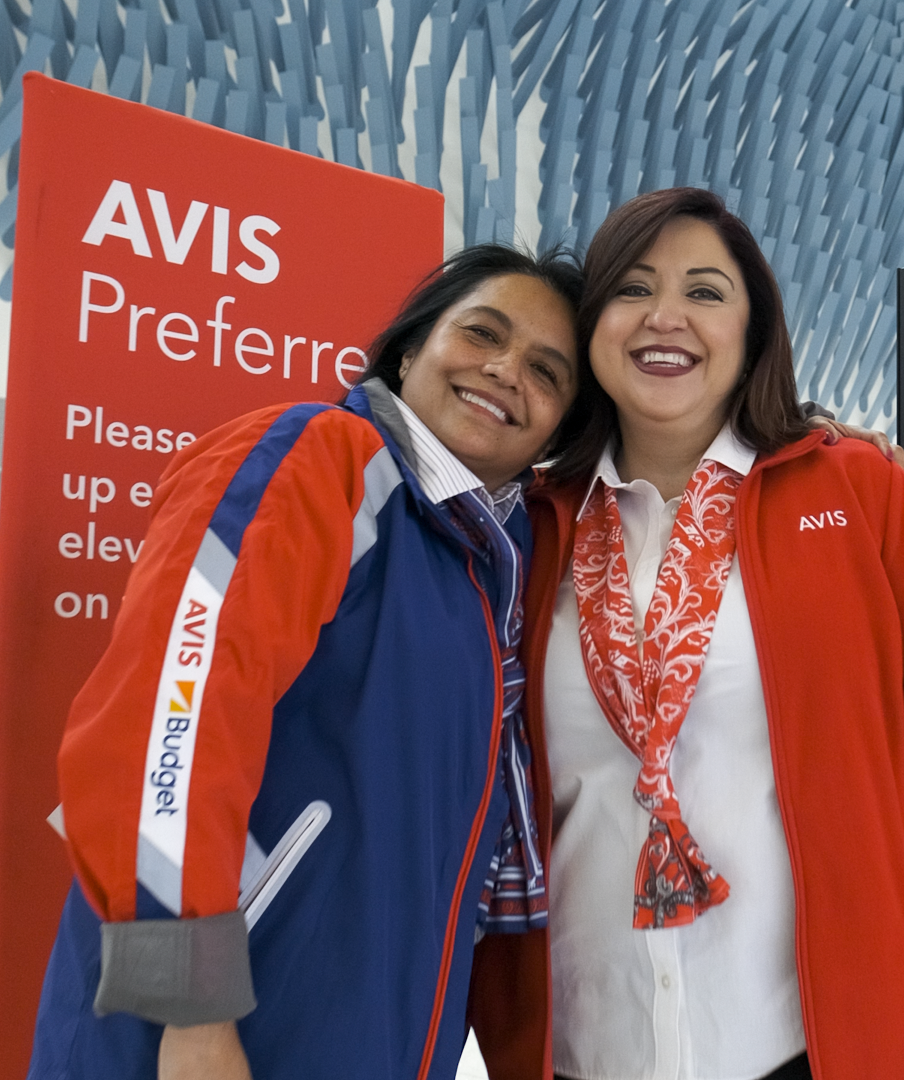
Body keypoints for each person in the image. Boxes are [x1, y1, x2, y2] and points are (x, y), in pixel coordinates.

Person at [469, 189, 904, 1080]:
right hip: (583, 1041)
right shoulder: (526, 531)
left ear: (752, 327)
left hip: (814, 1044)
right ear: (592, 327)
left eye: (705, 291)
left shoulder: (858, 494)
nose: (667, 318)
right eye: (633, 288)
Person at [28, 245, 588, 1080]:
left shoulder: (492, 570)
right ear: (409, 349)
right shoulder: (321, 458)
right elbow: (167, 717)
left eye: (547, 372)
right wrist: (190, 1007)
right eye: (482, 333)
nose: (507, 371)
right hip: (198, 1036)